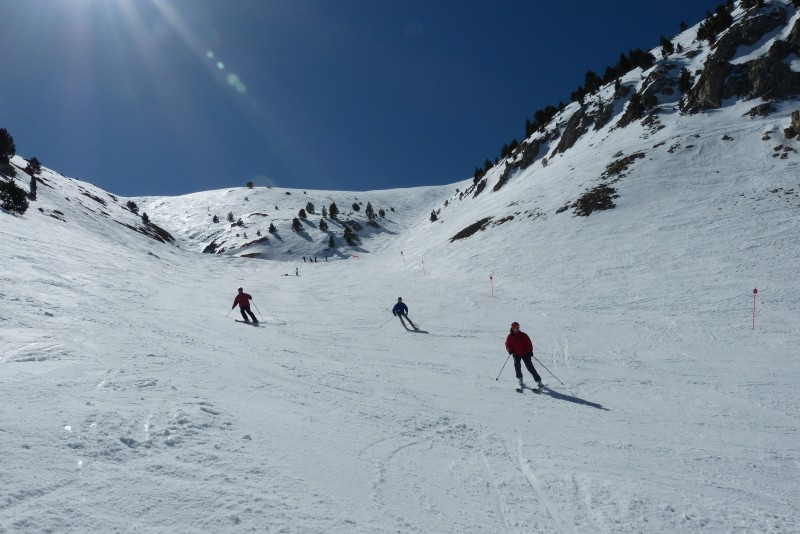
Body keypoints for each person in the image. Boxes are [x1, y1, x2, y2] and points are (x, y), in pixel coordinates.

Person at [505, 322, 542, 389]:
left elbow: (529, 343)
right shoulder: (510, 337)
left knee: (530, 367)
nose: (518, 328)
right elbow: (507, 345)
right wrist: (509, 350)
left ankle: (538, 381)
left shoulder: (523, 335)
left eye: (518, 327)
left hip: (525, 353)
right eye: (516, 327)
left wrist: (530, 351)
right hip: (516, 354)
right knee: (517, 366)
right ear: (513, 328)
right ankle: (520, 380)